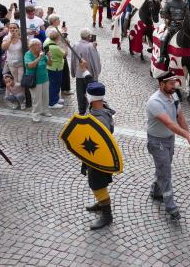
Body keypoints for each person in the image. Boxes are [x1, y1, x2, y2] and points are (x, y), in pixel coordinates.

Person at [146, 71, 190, 221]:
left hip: (169, 139)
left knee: (163, 167)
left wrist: (189, 137)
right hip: (157, 142)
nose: (174, 86)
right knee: (166, 172)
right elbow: (169, 123)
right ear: (161, 84)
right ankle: (171, 207)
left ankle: (156, 190)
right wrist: (188, 136)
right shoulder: (154, 102)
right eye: (170, 83)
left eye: (174, 83)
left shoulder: (174, 96)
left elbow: (179, 117)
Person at [79, 64, 116, 229]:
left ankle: (107, 215)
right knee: (95, 183)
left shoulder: (99, 120)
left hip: (98, 157)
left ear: (90, 99)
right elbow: (92, 83)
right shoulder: (101, 103)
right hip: (93, 154)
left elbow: (100, 142)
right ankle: (101, 204)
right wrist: (84, 69)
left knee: (97, 184)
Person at [71, 28, 101, 115]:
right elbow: (95, 61)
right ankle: (92, 111)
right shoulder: (90, 46)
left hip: (79, 74)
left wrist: (73, 71)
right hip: (89, 75)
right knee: (91, 93)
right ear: (88, 36)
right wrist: (96, 73)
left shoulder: (75, 45)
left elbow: (73, 60)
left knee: (80, 93)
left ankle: (81, 110)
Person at [25, 39, 53, 123]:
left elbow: (50, 64)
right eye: (38, 45)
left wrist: (50, 57)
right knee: (36, 99)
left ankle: (45, 110)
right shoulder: (28, 54)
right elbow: (30, 66)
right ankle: (36, 114)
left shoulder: (42, 53)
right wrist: (39, 58)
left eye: (40, 44)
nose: (40, 46)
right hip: (35, 80)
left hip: (44, 78)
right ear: (32, 46)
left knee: (45, 96)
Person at [158, 0, 187, 64]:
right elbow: (165, 13)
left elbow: (188, 14)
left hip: (182, 26)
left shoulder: (184, 3)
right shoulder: (169, 2)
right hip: (172, 25)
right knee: (163, 38)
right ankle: (161, 56)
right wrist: (167, 17)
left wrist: (184, 20)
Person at [44, 30, 67, 109]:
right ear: (57, 38)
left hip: (50, 67)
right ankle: (52, 103)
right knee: (55, 85)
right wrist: (65, 45)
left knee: (54, 84)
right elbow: (64, 54)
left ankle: (56, 98)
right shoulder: (55, 47)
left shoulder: (47, 41)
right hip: (56, 67)